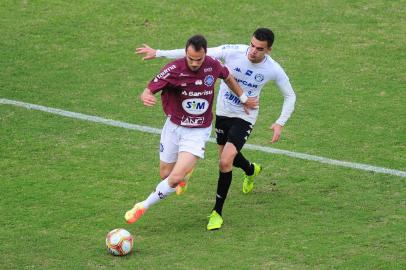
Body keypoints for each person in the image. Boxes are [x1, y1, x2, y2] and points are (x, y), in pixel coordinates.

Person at [136, 28, 296, 230]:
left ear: (269, 50)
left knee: (224, 161)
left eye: (260, 49)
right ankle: (250, 169)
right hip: (222, 113)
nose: (253, 51)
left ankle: (217, 213)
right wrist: (159, 53)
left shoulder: (273, 69)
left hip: (245, 115)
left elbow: (290, 96)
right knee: (227, 158)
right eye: (252, 45)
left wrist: (280, 122)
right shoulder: (232, 51)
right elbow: (195, 54)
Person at [125, 34, 258, 224]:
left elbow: (228, 77)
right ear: (185, 53)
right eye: (191, 59)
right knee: (166, 175)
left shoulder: (213, 65)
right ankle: (184, 175)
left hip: (197, 131)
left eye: (199, 59)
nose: (195, 63)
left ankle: (142, 205)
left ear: (205, 54)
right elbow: (149, 88)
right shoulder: (173, 69)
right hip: (174, 127)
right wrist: (145, 96)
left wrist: (243, 98)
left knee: (174, 178)